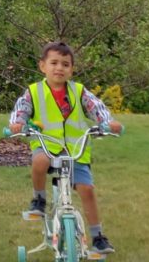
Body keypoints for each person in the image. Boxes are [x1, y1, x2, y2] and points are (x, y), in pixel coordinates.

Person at [8, 41, 123, 255]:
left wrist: (108, 123)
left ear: (72, 69)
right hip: (47, 147)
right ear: (42, 66)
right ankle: (39, 198)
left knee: (87, 190)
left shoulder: (79, 92)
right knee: (39, 161)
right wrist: (17, 124)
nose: (59, 68)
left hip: (74, 151)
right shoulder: (34, 92)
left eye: (65, 64)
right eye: (54, 63)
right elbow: (21, 110)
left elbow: (96, 109)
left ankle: (98, 236)